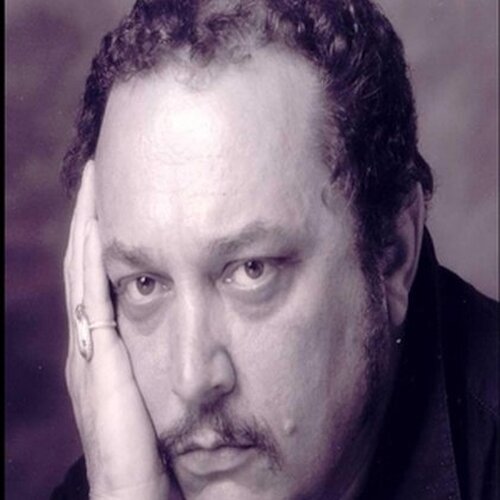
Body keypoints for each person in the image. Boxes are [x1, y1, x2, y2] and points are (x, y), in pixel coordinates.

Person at [52, 0, 498, 499]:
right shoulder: (118, 482)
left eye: (251, 270)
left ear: (393, 253)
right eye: (144, 284)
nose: (193, 379)